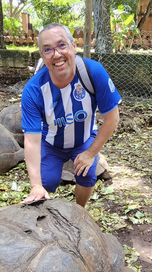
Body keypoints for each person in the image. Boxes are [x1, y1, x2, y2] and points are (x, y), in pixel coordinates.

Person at [21, 23, 120, 208]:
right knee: (46, 182)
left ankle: (79, 211)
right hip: (50, 142)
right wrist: (35, 186)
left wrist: (90, 153)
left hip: (83, 139)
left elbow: (112, 118)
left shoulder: (93, 73)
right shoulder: (34, 90)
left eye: (61, 45)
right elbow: (31, 140)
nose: (56, 54)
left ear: (74, 46)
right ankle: (44, 213)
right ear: (42, 56)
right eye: (47, 49)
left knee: (88, 172)